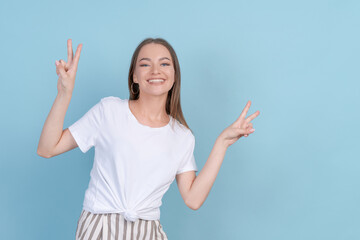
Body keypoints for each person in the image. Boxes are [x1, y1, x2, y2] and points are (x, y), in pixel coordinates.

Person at [37, 38, 260, 240]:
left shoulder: (182, 137)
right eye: (145, 64)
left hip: (148, 231)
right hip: (99, 227)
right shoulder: (109, 111)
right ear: (134, 76)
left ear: (174, 76)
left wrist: (222, 142)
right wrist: (64, 92)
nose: (155, 70)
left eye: (164, 64)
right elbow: (48, 148)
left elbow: (193, 199)